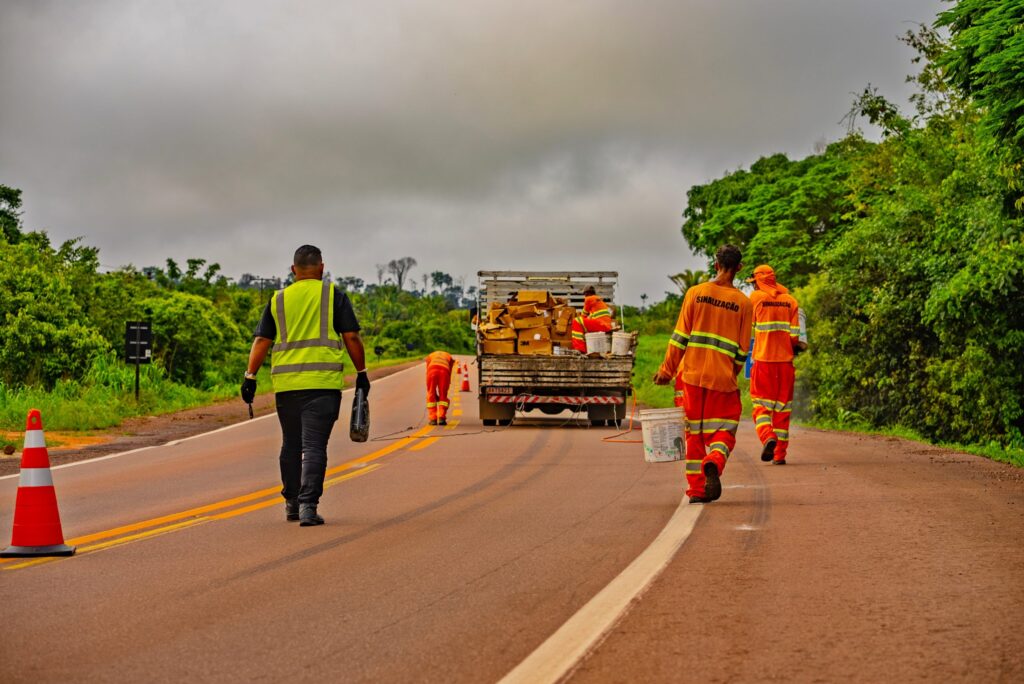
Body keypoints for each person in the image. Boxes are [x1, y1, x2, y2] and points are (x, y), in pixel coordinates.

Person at [241, 245, 370, 526]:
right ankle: (308, 507)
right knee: (314, 446)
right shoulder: (333, 295)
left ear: (293, 270)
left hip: (286, 385)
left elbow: (261, 340)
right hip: (323, 384)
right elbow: (352, 337)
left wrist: (250, 377)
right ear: (322, 268)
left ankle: (291, 503)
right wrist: (361, 372)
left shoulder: (278, 299)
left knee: (291, 444)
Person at [653, 245, 753, 503]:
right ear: (738, 268)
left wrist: (667, 370)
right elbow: (743, 351)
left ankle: (697, 490)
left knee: (693, 434)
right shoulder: (743, 303)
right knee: (725, 429)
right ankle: (715, 460)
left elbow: (679, 339)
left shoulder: (695, 293)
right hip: (723, 379)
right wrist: (730, 373)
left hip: (692, 378)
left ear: (716, 264)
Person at [747, 264, 801, 465]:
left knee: (760, 406)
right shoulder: (791, 301)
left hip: (763, 362)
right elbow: (795, 337)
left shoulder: (756, 299)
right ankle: (780, 455)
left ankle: (767, 436)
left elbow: (747, 329)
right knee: (782, 411)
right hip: (786, 364)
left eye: (754, 283)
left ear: (759, 281)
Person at [424, 350, 455, 425]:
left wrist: (434, 393)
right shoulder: (449, 356)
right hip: (444, 371)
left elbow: (428, 369)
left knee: (430, 394)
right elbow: (450, 370)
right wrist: (448, 381)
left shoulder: (430, 355)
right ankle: (441, 418)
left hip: (431, 371)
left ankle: (433, 419)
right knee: (443, 396)